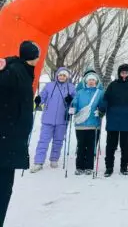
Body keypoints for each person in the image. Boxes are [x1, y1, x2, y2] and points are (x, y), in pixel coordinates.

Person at [0, 41, 40, 226]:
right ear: (33, 57)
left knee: (5, 189)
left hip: (11, 139)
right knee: (3, 189)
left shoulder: (20, 70)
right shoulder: (14, 72)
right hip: (6, 140)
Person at [99, 64, 128, 177]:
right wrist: (102, 108)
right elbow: (106, 98)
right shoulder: (113, 85)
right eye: (122, 72)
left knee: (125, 145)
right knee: (110, 145)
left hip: (127, 118)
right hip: (113, 118)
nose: (124, 74)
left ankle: (124, 166)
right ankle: (109, 167)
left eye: (126, 72)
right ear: (119, 73)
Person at [31, 68, 76, 172]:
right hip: (48, 118)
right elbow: (43, 96)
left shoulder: (71, 88)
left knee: (58, 141)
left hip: (62, 119)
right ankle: (38, 162)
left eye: (64, 76)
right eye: (60, 75)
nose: (62, 77)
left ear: (67, 77)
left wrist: (71, 101)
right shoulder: (49, 86)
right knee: (43, 141)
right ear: (57, 75)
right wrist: (38, 100)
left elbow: (75, 102)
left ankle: (54, 159)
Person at [69, 72, 104, 175]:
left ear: (96, 82)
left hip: (94, 123)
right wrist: (73, 109)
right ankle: (79, 167)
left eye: (93, 80)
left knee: (91, 146)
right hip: (80, 124)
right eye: (89, 80)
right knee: (81, 146)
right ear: (86, 81)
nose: (91, 82)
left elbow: (103, 104)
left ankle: (89, 167)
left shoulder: (100, 93)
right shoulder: (79, 92)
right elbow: (75, 103)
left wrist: (101, 111)